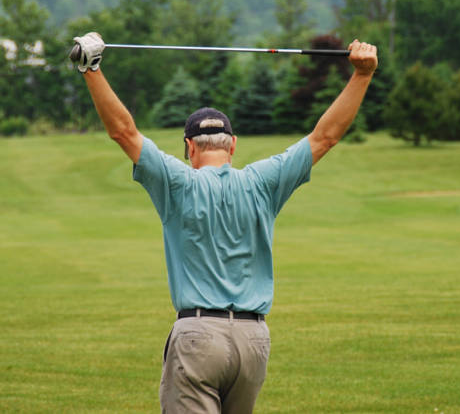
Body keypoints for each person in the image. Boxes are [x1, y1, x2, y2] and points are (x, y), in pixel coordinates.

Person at [72, 32, 378, 414]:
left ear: (188, 148)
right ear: (232, 146)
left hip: (198, 336)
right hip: (254, 341)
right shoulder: (263, 181)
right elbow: (325, 137)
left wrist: (91, 68)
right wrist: (362, 76)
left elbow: (124, 132)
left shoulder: (178, 181)